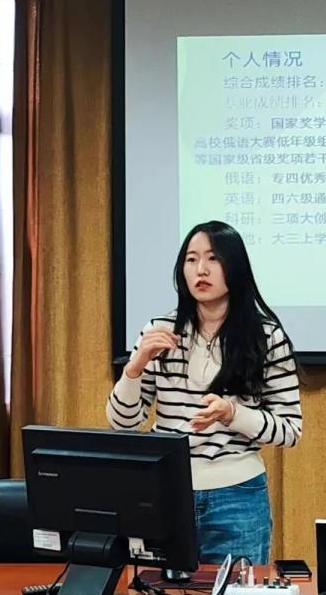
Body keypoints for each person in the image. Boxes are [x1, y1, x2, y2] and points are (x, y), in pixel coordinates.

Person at [106, 220, 302, 565]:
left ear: (235, 267)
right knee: (157, 594)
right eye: (191, 259)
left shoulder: (266, 337)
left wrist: (233, 413)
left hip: (238, 496)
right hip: (165, 492)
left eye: (213, 258)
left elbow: (290, 430)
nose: (201, 270)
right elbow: (123, 424)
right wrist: (134, 368)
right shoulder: (159, 331)